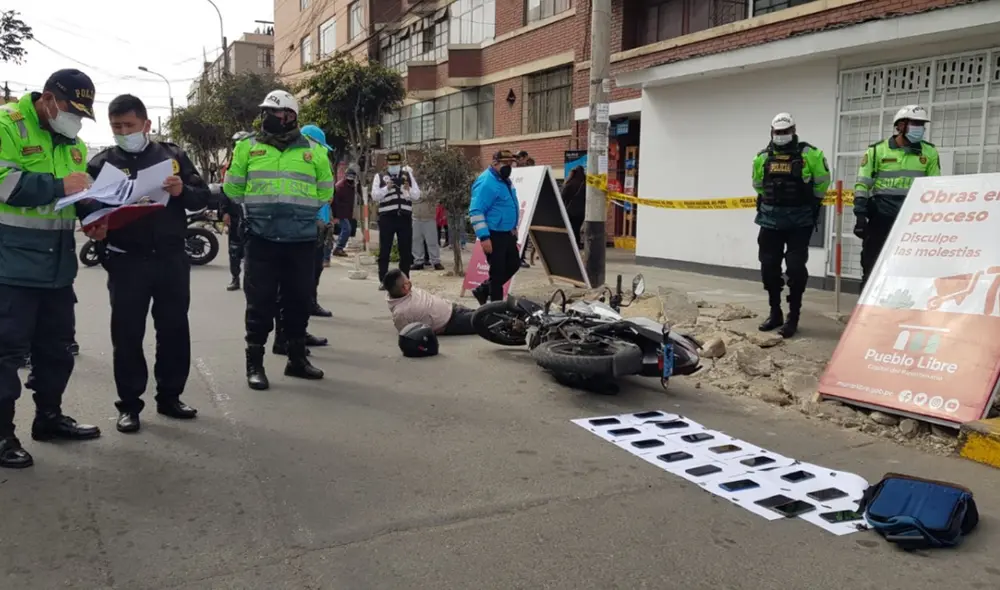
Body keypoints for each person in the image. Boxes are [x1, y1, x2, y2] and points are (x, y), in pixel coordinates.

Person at [82, 94, 209, 433]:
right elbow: (87, 209)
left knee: (173, 330)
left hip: (170, 259)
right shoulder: (101, 164)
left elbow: (203, 196)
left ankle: (170, 397)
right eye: (117, 127)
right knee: (127, 336)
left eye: (129, 125)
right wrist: (96, 226)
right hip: (126, 262)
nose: (124, 132)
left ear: (146, 125)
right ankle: (129, 405)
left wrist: (182, 190)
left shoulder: (173, 156)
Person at [0, 69, 103, 468]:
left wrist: (98, 215)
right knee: (5, 355)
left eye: (82, 112)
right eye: (70, 109)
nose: (74, 118)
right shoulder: (8, 125)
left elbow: (81, 197)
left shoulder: (73, 145)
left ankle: (49, 417)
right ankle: (2, 435)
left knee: (56, 350)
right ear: (47, 98)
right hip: (11, 266)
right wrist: (61, 187)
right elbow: (5, 183)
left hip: (57, 268)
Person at [224, 90, 332, 390]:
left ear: (290, 116)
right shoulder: (247, 147)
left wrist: (296, 211)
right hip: (261, 238)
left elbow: (325, 192)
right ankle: (254, 364)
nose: (268, 118)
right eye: (266, 112)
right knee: (259, 303)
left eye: (275, 112)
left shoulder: (314, 150)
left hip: (300, 240)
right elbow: (232, 188)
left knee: (298, 301)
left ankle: (296, 360)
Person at [751, 112, 831, 339]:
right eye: (778, 132)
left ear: (794, 131)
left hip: (800, 221)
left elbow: (822, 183)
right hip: (769, 220)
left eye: (786, 132)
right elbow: (758, 184)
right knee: (768, 266)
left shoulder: (811, 154)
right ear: (771, 132)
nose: (782, 136)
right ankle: (774, 312)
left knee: (795, 267)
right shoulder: (762, 157)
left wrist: (808, 204)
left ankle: (793, 316)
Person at [854, 105, 939, 289]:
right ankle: (866, 306)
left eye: (922, 124)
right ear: (900, 125)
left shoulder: (929, 152)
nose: (920, 128)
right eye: (915, 123)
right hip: (881, 216)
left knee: (908, 265)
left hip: (913, 218)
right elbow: (862, 183)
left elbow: (934, 187)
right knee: (872, 262)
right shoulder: (877, 151)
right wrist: (860, 215)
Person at [469, 150, 521, 304]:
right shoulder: (486, 182)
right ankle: (496, 310)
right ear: (495, 163)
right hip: (493, 234)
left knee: (513, 264)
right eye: (506, 164)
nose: (509, 167)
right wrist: (484, 237)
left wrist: (513, 226)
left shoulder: (504, 180)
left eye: (511, 164)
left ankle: (483, 290)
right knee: (497, 274)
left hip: (507, 233)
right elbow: (476, 211)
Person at [299, 124, 334, 318]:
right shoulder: (302, 164)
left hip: (321, 222)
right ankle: (306, 305)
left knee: (317, 267)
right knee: (307, 270)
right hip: (308, 224)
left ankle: (311, 302)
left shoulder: (318, 162)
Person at [373, 151, 420, 290]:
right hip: (387, 217)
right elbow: (375, 195)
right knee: (384, 250)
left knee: (405, 251)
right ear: (386, 164)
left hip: (404, 218)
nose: (394, 167)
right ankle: (383, 280)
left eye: (397, 164)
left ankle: (404, 280)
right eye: (392, 164)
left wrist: (408, 189)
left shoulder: (407, 176)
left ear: (400, 164)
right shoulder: (380, 177)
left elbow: (417, 195)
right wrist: (387, 188)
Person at [383, 269, 475, 335]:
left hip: (451, 307)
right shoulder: (400, 313)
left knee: (482, 313)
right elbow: (407, 333)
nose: (410, 281)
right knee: (483, 320)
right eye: (407, 281)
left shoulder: (404, 292)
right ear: (405, 287)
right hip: (448, 323)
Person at [222, 131, 251, 291]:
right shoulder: (230, 166)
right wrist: (225, 212)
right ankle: (235, 278)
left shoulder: (257, 162)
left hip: (253, 213)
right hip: (235, 213)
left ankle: (251, 280)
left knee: (252, 250)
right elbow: (225, 190)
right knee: (234, 249)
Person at [411, 180, 444, 271]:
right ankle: (418, 261)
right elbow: (411, 197)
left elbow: (430, 195)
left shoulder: (432, 182)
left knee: (432, 241)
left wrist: (418, 196)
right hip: (416, 217)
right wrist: (420, 196)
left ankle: (436, 261)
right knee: (416, 241)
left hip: (429, 218)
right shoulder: (413, 184)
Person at [331, 168, 357, 257]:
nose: (351, 178)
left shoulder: (352, 186)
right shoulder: (340, 186)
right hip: (340, 213)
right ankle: (338, 248)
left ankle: (338, 247)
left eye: (352, 176)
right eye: (349, 176)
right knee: (347, 229)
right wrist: (335, 216)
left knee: (346, 229)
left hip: (346, 213)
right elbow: (335, 202)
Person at [562, 165, 586, 247]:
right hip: (582, 212)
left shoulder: (569, 183)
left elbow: (563, 196)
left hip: (570, 210)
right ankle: (577, 243)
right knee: (577, 228)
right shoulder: (585, 184)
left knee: (570, 228)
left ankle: (571, 244)